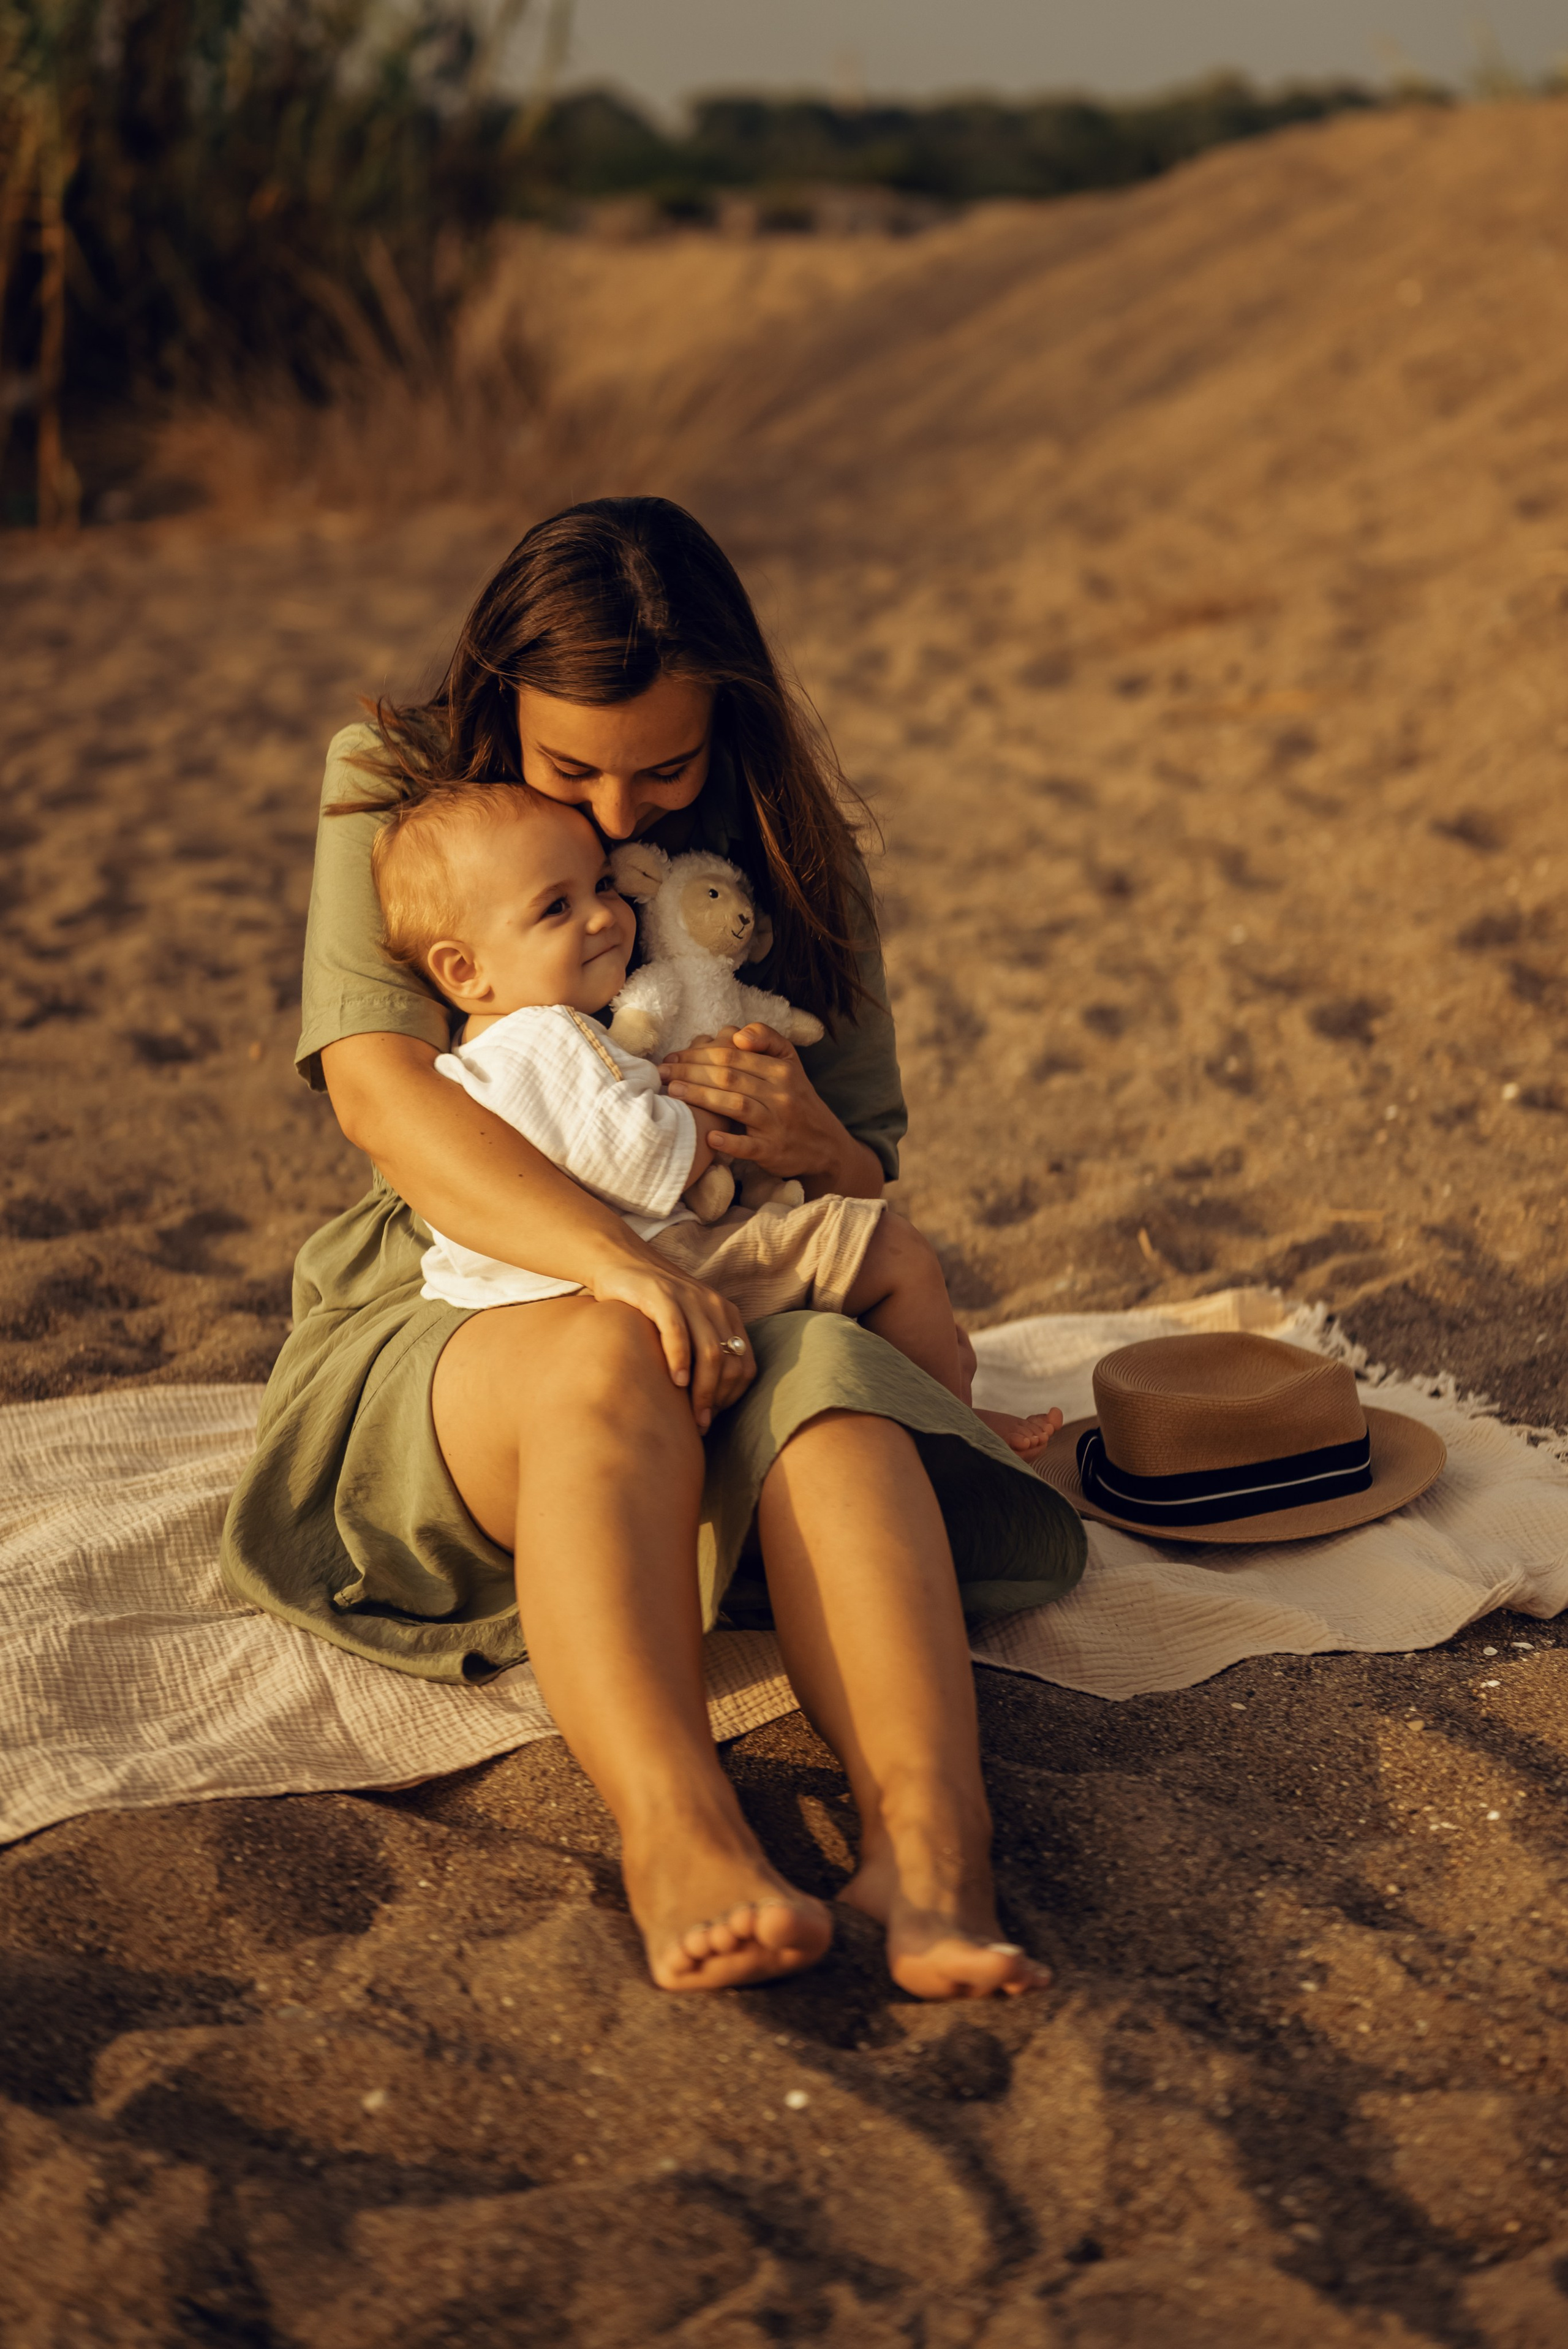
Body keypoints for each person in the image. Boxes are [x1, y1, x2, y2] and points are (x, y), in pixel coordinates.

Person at [221, 496, 1087, 1999]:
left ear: (727, 725)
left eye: (664, 768)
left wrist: (807, 1132)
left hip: (726, 1248)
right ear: (501, 706)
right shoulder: (401, 785)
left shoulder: (787, 846)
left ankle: (930, 1860)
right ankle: (679, 1836)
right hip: (479, 1293)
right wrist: (617, 1262)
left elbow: (866, 1158)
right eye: (570, 770)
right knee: (608, 1345)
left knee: (832, 1392)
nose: (620, 816)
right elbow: (381, 1089)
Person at [369, 776, 1061, 1458]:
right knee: (891, 1251)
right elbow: (639, 1157)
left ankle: (926, 1388)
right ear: (463, 972)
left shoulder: (491, 1053)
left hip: (577, 1282)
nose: (604, 916)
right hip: (643, 1263)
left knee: (873, 1293)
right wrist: (704, 1101)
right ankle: (960, 1442)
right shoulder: (545, 1036)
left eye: (603, 886)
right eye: (557, 907)